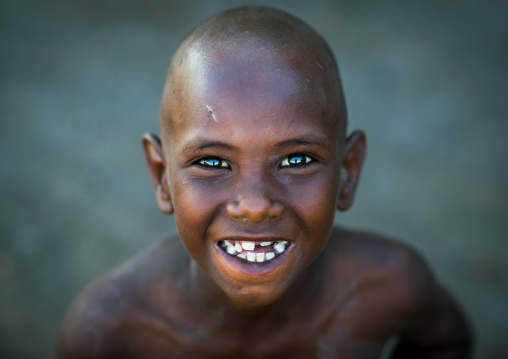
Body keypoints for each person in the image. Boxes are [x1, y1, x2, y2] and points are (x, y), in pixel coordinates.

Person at [54, 6, 472, 358]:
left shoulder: (389, 286)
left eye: (297, 159)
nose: (254, 204)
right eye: (213, 162)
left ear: (348, 172)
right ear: (162, 176)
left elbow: (447, 342)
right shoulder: (110, 330)